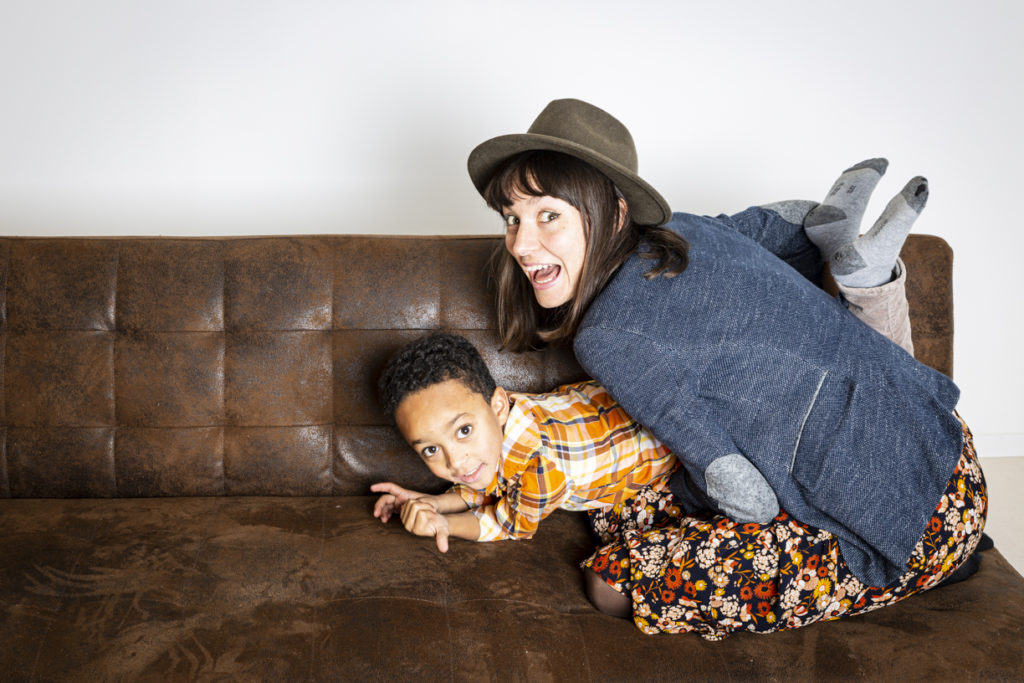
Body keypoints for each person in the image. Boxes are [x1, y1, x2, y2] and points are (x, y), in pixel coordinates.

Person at [463, 98, 987, 634]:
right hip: (949, 444)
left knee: (611, 577)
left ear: (615, 211)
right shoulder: (687, 230)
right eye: (512, 219)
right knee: (624, 509)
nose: (521, 245)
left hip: (916, 524)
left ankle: (916, 572)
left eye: (548, 215)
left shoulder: (608, 337)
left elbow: (747, 497)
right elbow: (793, 226)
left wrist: (687, 495)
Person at [370, 332, 985, 640]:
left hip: (677, 459)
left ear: (498, 405)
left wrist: (443, 520)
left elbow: (505, 520)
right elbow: (483, 476)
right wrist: (427, 496)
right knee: (614, 532)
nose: (454, 459)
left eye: (461, 432)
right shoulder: (514, 422)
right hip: (647, 474)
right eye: (431, 451)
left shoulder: (538, 461)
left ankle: (908, 568)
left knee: (608, 576)